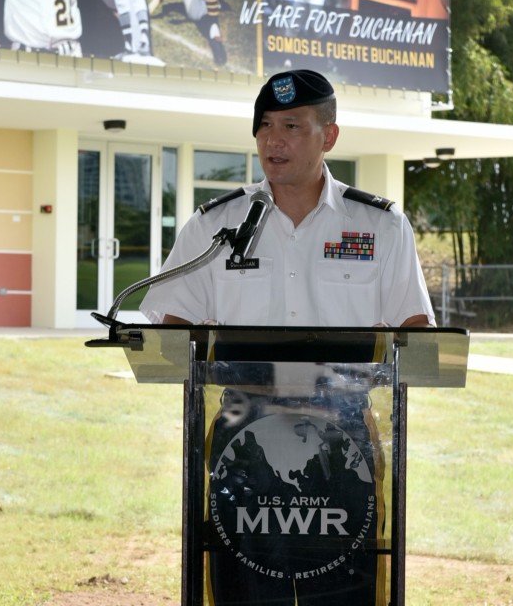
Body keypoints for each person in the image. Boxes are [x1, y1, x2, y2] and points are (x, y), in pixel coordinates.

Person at [141, 69, 434, 605]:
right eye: (265, 127)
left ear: (330, 135)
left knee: (345, 588)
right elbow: (168, 323)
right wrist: (183, 341)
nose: (274, 141)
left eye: (293, 126)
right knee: (242, 585)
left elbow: (416, 331)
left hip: (342, 436)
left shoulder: (381, 227)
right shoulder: (216, 227)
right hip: (244, 434)